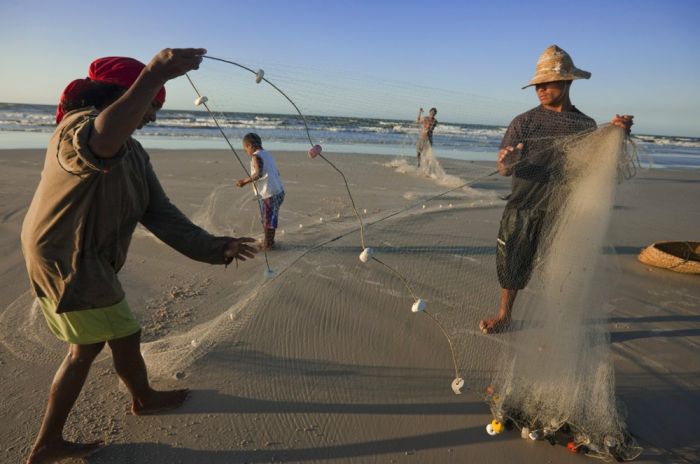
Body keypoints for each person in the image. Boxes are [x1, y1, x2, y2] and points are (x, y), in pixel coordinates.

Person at [20, 48, 257, 464]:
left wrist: (217, 246)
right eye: (151, 104)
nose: (153, 115)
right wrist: (153, 75)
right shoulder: (76, 131)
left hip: (85, 257)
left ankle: (139, 399)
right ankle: (50, 442)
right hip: (68, 257)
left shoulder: (133, 153)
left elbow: (162, 215)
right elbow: (100, 141)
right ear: (123, 95)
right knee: (93, 345)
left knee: (113, 336)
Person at [479, 45, 633, 334]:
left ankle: (556, 325)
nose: (540, 89)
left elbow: (595, 167)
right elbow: (502, 168)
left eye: (547, 83)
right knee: (512, 263)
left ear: (567, 81)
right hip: (522, 206)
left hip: (563, 210)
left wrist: (617, 134)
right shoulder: (524, 122)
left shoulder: (585, 125)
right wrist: (508, 162)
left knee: (558, 271)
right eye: (537, 84)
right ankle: (505, 315)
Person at [236, 133, 285, 250]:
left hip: (270, 193)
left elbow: (259, 173)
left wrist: (244, 181)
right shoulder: (268, 155)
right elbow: (276, 173)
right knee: (271, 217)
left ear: (249, 146)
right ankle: (270, 241)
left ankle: (267, 244)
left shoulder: (256, 156)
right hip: (279, 191)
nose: (246, 152)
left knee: (267, 219)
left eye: (245, 149)